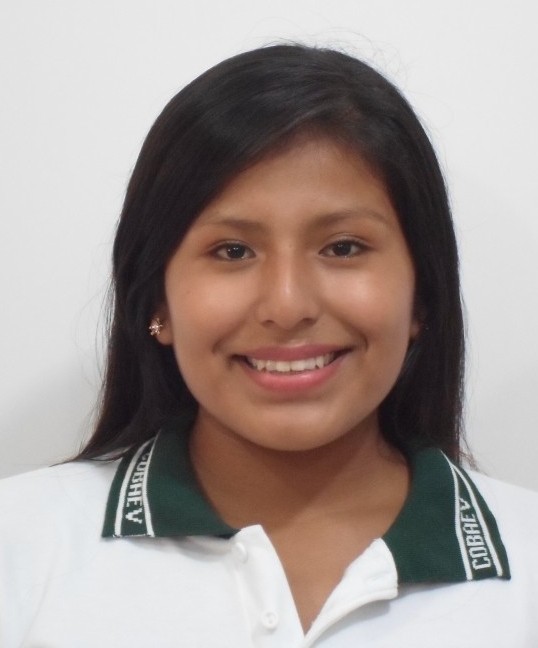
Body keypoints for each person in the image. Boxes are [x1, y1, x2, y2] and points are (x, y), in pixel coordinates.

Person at [0, 44, 537, 647]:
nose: (287, 305)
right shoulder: (19, 546)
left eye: (343, 247)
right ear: (156, 303)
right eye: (233, 251)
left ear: (421, 296)